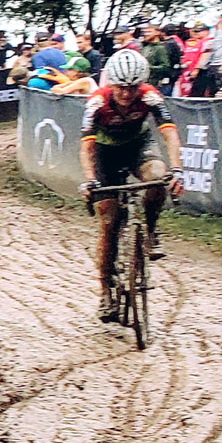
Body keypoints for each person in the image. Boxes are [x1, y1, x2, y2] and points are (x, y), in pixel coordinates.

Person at [79, 49, 184, 320]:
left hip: (139, 146)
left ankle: (150, 230)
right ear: (111, 84)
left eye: (132, 88)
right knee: (109, 220)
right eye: (121, 87)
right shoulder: (96, 103)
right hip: (105, 153)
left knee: (158, 176)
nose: (126, 94)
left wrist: (178, 171)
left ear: (141, 85)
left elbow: (170, 135)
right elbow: (87, 148)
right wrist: (90, 180)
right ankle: (105, 291)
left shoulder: (150, 97)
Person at [177, 23, 208, 96]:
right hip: (187, 71)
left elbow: (204, 56)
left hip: (201, 71)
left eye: (199, 31)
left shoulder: (207, 42)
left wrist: (196, 69)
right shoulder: (188, 42)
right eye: (195, 31)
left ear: (206, 31)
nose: (196, 33)